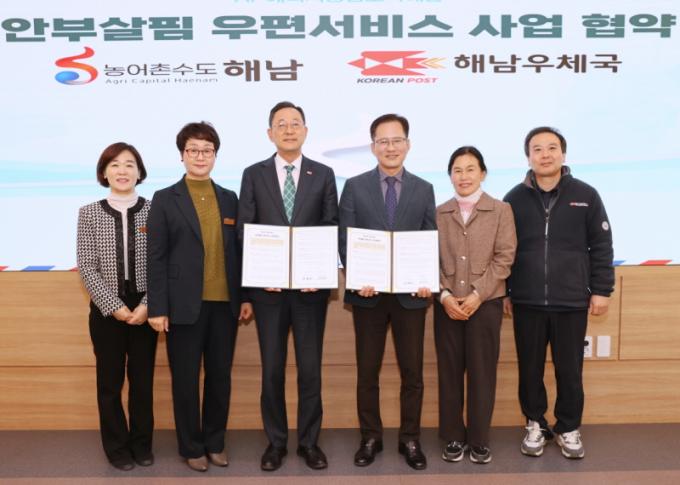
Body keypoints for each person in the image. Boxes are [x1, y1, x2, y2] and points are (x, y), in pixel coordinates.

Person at [238, 101, 338, 471]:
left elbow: (330, 226)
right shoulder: (254, 174)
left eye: (296, 123)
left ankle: (309, 443)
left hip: (310, 294)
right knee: (272, 370)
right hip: (268, 293)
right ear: (270, 133)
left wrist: (320, 274)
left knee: (310, 371)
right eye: (281, 124)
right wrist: (255, 282)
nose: (289, 129)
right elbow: (245, 230)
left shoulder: (323, 174)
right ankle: (276, 443)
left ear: (306, 131)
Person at [146, 122, 252, 472]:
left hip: (225, 305)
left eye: (207, 150)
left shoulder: (229, 198)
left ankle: (215, 442)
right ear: (182, 155)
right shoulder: (165, 198)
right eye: (193, 150)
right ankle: (191, 446)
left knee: (220, 377)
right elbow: (155, 257)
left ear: (215, 155)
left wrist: (245, 297)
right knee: (186, 380)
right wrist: (158, 307)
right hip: (182, 307)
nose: (200, 156)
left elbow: (240, 253)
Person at [503, 127, 614, 459]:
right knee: (530, 369)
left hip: (571, 300)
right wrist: (505, 290)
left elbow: (602, 245)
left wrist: (602, 289)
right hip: (527, 300)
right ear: (528, 157)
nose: (545, 154)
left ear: (563, 154)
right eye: (537, 149)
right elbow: (505, 250)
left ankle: (568, 427)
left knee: (570, 370)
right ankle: (535, 423)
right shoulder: (513, 198)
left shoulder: (587, 195)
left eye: (552, 148)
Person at [338, 113, 436, 471]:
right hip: (368, 296)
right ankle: (370, 436)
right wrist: (356, 275)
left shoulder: (424, 188)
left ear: (407, 145)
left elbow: (429, 237)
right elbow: (345, 237)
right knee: (368, 371)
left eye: (397, 140)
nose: (390, 147)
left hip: (412, 297)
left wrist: (426, 278)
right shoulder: (354, 186)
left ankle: (410, 438)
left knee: (413, 373)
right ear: (372, 147)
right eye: (383, 141)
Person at [77, 142, 158, 471]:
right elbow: (86, 266)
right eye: (114, 165)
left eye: (129, 164)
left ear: (139, 172)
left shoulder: (155, 210)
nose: (122, 171)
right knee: (109, 384)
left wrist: (147, 305)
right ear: (104, 172)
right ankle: (117, 448)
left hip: (145, 308)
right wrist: (113, 306)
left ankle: (142, 444)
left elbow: (162, 263)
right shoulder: (88, 212)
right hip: (106, 309)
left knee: (142, 382)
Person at [434, 146, 516, 465]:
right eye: (457, 170)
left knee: (482, 374)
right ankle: (454, 437)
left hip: (486, 304)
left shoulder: (501, 210)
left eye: (470, 169)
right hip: (447, 305)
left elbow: (505, 258)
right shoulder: (439, 212)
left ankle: (479, 440)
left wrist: (478, 294)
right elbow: (428, 259)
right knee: (450, 373)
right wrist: (444, 295)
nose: (464, 176)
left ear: (483, 173)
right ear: (450, 176)